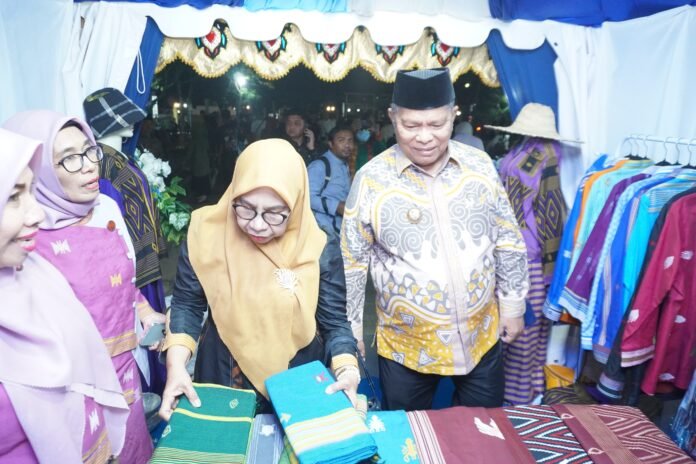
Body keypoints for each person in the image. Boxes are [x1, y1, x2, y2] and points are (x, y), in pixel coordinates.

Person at [341, 68, 530, 411]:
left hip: (481, 336)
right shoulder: (371, 180)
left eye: (437, 124)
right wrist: (351, 333)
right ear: (392, 117)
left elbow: (506, 236)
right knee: (411, 435)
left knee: (484, 431)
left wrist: (513, 305)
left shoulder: (479, 165)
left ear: (453, 115)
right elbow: (352, 263)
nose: (424, 137)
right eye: (411, 126)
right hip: (406, 347)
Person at [159, 139, 359, 419]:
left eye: (275, 214)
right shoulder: (206, 232)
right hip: (223, 370)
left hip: (297, 375)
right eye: (245, 208)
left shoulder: (318, 245)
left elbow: (334, 322)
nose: (256, 224)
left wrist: (347, 370)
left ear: (297, 204)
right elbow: (187, 304)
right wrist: (177, 366)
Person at [4, 110, 163, 463]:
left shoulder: (106, 206)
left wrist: (143, 309)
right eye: (69, 158)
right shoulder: (26, 242)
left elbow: (123, 279)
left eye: (90, 150)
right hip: (76, 391)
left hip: (125, 374)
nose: (90, 165)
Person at [307, 124, 355, 237]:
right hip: (322, 232)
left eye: (350, 141)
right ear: (330, 144)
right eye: (341, 140)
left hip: (339, 230)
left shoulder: (345, 165)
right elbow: (308, 198)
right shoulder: (319, 166)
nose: (347, 145)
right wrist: (337, 206)